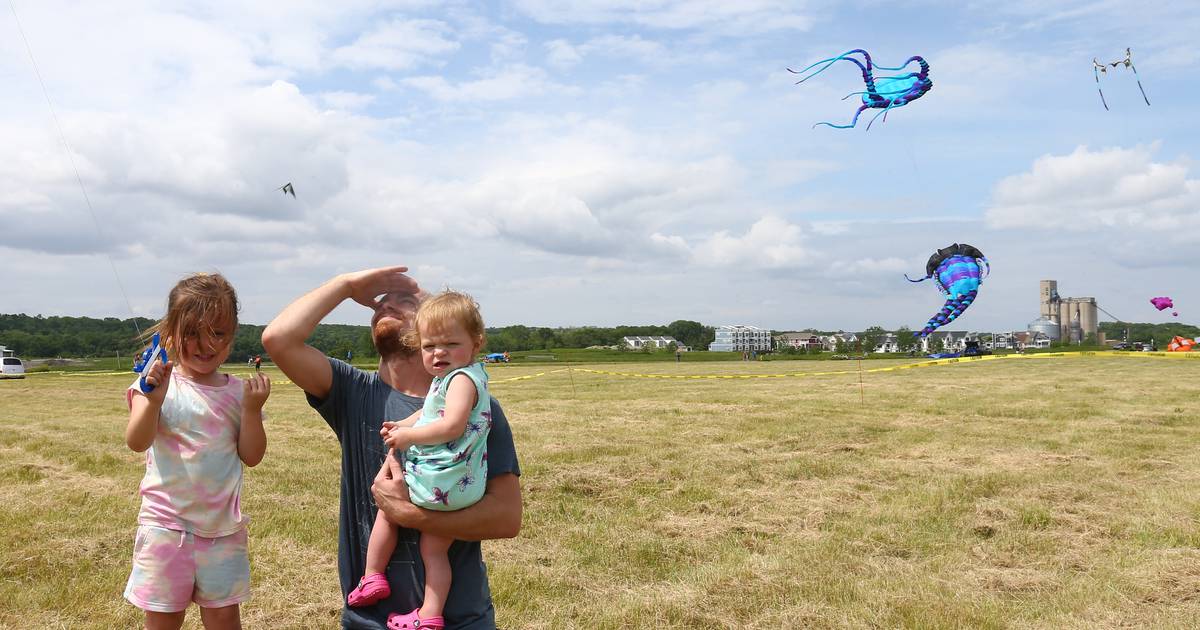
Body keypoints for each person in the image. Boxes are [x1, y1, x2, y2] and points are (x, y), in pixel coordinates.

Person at [261, 266, 521, 630]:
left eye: (405, 301)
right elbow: (278, 339)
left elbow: (507, 518)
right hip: (369, 621)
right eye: (380, 304)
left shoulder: (477, 409)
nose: (385, 305)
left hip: (460, 620)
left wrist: (411, 514)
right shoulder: (353, 391)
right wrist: (345, 285)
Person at [123, 272, 271, 630]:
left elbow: (252, 456)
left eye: (217, 333)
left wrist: (252, 411)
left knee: (224, 618)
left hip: (222, 531)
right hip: (165, 527)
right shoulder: (155, 383)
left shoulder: (237, 393)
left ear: (233, 334)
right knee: (164, 617)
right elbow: (137, 441)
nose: (205, 345)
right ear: (171, 331)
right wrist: (152, 401)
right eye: (191, 333)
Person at [347, 291, 491, 629]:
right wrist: (403, 424)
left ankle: (372, 575)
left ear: (476, 343)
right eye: (429, 346)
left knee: (387, 508)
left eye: (450, 344)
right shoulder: (458, 378)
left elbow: (451, 425)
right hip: (460, 490)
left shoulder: (459, 380)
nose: (439, 352)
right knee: (434, 551)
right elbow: (428, 413)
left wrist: (408, 437)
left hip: (439, 483)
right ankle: (430, 614)